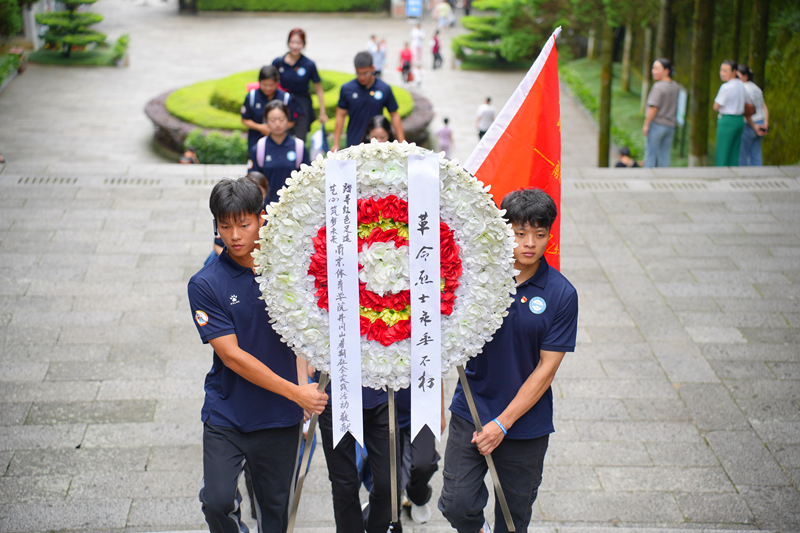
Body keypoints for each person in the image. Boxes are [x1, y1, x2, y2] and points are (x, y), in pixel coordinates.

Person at [188, 177, 328, 533]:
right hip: (227, 414)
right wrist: (296, 392)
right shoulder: (205, 284)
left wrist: (303, 386)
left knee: (275, 514)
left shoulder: (287, 273)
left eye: (243, 224)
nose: (234, 235)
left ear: (261, 219)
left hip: (279, 419)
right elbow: (232, 357)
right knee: (217, 501)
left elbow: (302, 333)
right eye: (225, 226)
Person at [438, 188, 579, 533]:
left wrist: (503, 423)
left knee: (513, 522)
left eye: (539, 234)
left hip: (524, 425)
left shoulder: (562, 294)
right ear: (505, 231)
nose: (530, 243)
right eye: (520, 233)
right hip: (471, 409)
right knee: (457, 505)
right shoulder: (477, 279)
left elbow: (546, 370)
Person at [333, 51, 405, 151]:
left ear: (373, 69)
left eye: (366, 73)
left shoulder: (384, 88)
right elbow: (340, 115)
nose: (362, 77)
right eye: (359, 73)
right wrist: (336, 143)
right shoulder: (347, 89)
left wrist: (402, 142)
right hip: (354, 144)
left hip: (377, 144)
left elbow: (394, 115)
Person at [247, 100, 311, 206]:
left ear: (288, 119)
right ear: (266, 121)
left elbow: (308, 180)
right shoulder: (259, 148)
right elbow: (252, 182)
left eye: (281, 119)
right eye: (272, 120)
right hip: (267, 210)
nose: (277, 124)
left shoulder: (299, 146)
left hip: (294, 209)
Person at [396, 387, 443, 525]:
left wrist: (440, 410)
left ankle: (417, 496)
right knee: (387, 472)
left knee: (424, 463)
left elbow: (435, 369)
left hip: (421, 408)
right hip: (383, 408)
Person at [272, 28, 327, 143]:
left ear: (304, 44)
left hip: (303, 105)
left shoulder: (309, 64)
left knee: (300, 141)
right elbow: (270, 83)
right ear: (288, 43)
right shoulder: (278, 62)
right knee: (282, 137)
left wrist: (322, 112)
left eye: (299, 43)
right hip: (283, 105)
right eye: (292, 42)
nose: (295, 46)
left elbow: (318, 88)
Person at [241, 65, 299, 153]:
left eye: (271, 85)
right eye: (264, 85)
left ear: (277, 82)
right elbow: (245, 119)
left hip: (280, 140)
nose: (268, 88)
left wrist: (276, 129)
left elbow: (291, 121)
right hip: (256, 138)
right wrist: (261, 128)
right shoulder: (252, 96)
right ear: (259, 82)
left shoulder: (285, 98)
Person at [713, 60, 754, 167]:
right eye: (721, 70)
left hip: (727, 121)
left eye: (725, 71)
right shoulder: (741, 84)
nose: (722, 73)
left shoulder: (726, 87)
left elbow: (716, 106)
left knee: (723, 151)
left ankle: (720, 174)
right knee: (734, 151)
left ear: (734, 71)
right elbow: (747, 102)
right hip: (739, 121)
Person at [642, 58, 679, 168]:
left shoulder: (658, 87)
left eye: (657, 69)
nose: (653, 71)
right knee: (664, 155)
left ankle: (647, 179)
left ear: (666, 71)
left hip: (657, 125)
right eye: (653, 68)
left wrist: (646, 124)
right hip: (670, 126)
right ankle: (664, 180)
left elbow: (653, 108)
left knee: (650, 154)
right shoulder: (675, 86)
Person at [737, 64, 769, 166]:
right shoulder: (756, 88)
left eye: (738, 76)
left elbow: (746, 112)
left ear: (745, 76)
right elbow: (764, 106)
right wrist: (766, 123)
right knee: (756, 153)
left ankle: (742, 178)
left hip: (750, 124)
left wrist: (754, 126)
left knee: (743, 154)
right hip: (761, 122)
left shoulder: (743, 89)